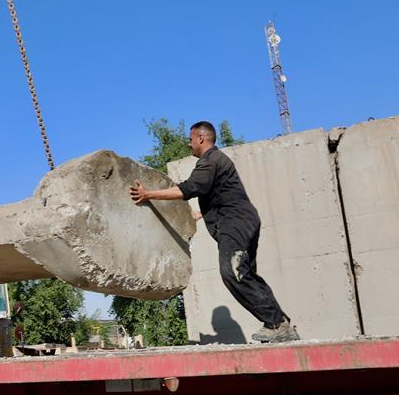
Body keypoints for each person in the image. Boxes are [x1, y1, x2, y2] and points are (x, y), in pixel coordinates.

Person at [128, 121, 299, 343]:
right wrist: (202, 214)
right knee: (245, 273)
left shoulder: (210, 160)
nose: (189, 144)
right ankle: (279, 323)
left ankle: (276, 324)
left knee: (233, 272)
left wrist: (148, 194)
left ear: (201, 138)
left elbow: (189, 188)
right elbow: (222, 194)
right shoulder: (217, 161)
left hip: (235, 223)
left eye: (190, 139)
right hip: (242, 220)